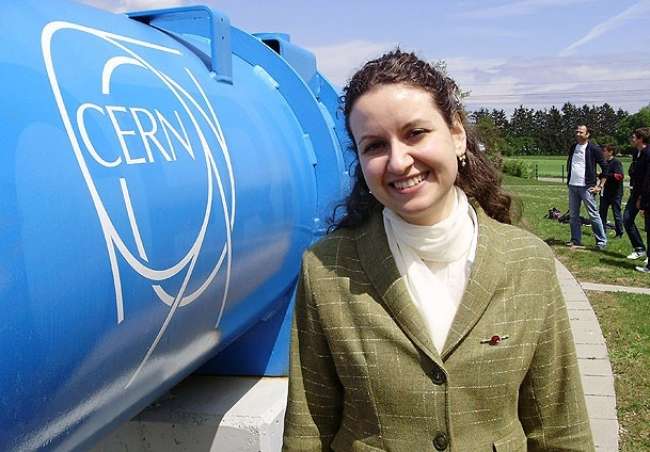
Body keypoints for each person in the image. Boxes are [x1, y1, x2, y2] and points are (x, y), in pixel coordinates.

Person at [283, 50, 593, 451]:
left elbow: (561, 428)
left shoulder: (528, 262)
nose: (398, 162)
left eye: (415, 133)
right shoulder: (326, 268)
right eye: (374, 145)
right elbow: (308, 430)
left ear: (457, 135)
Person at [565, 125, 607, 249]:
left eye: (581, 132)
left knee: (593, 214)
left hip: (587, 186)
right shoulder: (573, 147)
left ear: (587, 134)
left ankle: (601, 242)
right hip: (573, 186)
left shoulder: (594, 149)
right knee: (573, 215)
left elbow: (605, 167)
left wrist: (600, 186)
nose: (578, 134)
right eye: (576, 131)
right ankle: (575, 240)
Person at [623, 128, 650, 260]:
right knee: (627, 219)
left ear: (640, 139)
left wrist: (641, 199)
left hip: (645, 195)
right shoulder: (636, 153)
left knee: (648, 226)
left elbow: (647, 180)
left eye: (633, 137)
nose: (631, 139)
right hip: (635, 193)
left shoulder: (648, 153)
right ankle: (639, 248)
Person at [599, 144, 624, 238]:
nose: (602, 153)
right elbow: (604, 176)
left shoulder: (616, 162)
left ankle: (619, 232)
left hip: (615, 193)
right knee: (602, 212)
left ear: (610, 152)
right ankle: (602, 231)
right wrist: (600, 176)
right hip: (605, 192)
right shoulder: (604, 163)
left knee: (616, 213)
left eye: (604, 151)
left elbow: (619, 176)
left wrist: (604, 175)